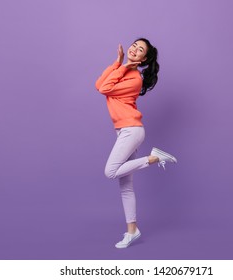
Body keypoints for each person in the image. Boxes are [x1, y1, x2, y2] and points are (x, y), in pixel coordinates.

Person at [95, 38, 177, 249]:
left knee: (111, 171)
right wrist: (118, 63)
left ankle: (155, 157)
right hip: (124, 131)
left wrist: (122, 68)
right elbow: (98, 84)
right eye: (134, 45)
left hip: (131, 131)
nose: (134, 49)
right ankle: (132, 231)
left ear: (144, 59)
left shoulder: (135, 79)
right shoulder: (123, 70)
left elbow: (104, 88)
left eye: (140, 50)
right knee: (126, 187)